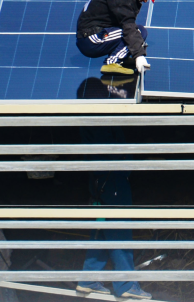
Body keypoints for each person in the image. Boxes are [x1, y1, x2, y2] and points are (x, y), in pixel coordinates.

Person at [75, 126, 151, 299]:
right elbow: (110, 149)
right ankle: (126, 284)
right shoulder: (103, 118)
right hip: (113, 181)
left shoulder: (89, 117)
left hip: (100, 181)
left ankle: (88, 280)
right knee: (119, 231)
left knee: (103, 230)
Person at [76, 0, 167, 75]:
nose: (146, 0)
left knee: (138, 32)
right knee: (137, 33)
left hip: (94, 34)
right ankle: (112, 63)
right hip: (90, 39)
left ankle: (120, 56)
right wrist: (139, 55)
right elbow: (129, 28)